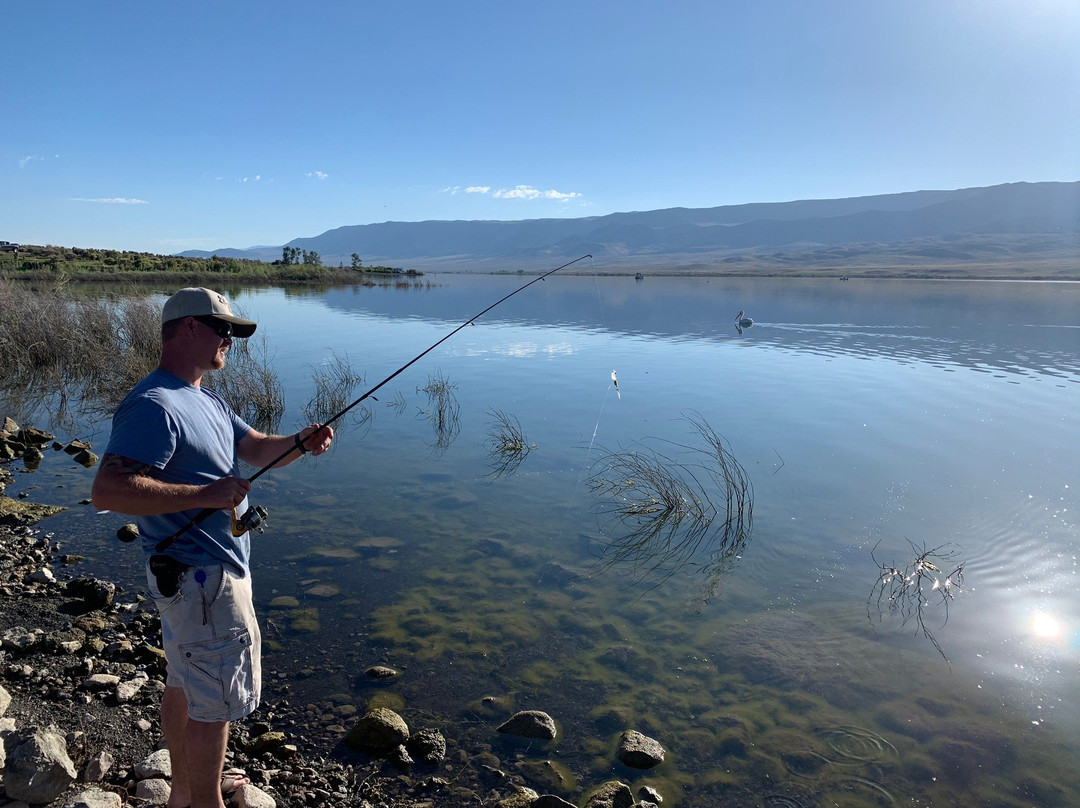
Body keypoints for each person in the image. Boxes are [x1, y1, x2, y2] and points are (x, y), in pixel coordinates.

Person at [92, 287, 333, 808]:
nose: (230, 340)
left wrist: (299, 441)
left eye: (233, 332)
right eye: (222, 329)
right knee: (214, 704)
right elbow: (108, 491)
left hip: (193, 582)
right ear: (187, 329)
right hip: (202, 581)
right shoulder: (154, 404)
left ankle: (184, 793)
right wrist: (207, 493)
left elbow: (254, 448)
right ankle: (206, 802)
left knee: (183, 685)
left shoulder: (204, 397)